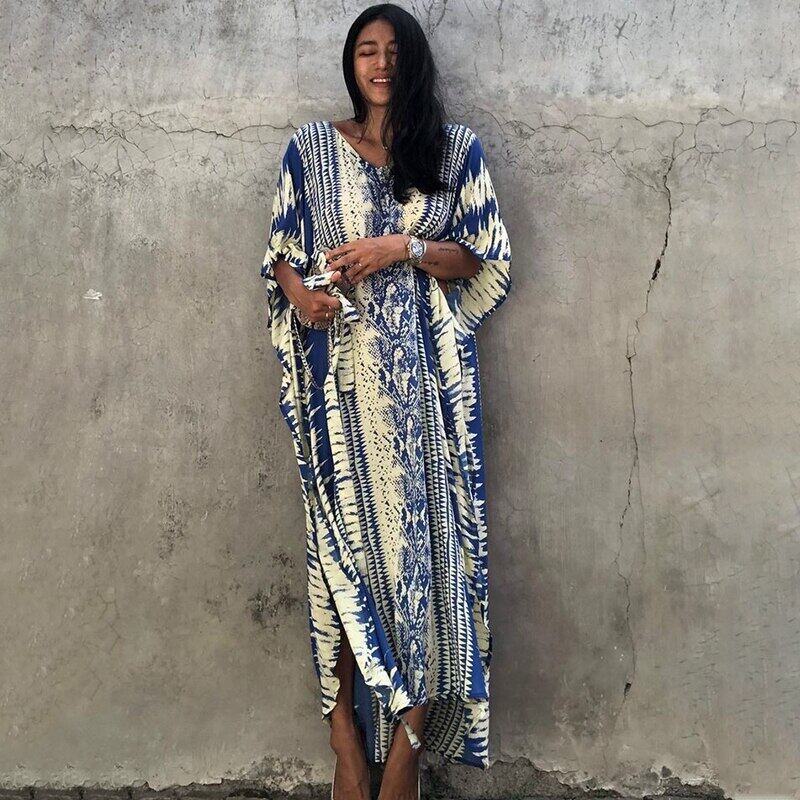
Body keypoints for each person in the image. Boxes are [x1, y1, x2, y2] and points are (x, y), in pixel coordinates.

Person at [259, 4, 512, 798]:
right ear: (351, 62)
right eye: (366, 50)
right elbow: (280, 255)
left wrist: (399, 247)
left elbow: (481, 258)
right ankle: (345, 740)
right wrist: (301, 299)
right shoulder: (310, 148)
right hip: (337, 390)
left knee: (427, 569)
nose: (380, 63)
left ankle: (404, 751)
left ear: (414, 62)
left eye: (394, 51)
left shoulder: (454, 150)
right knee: (342, 567)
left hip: (428, 396)